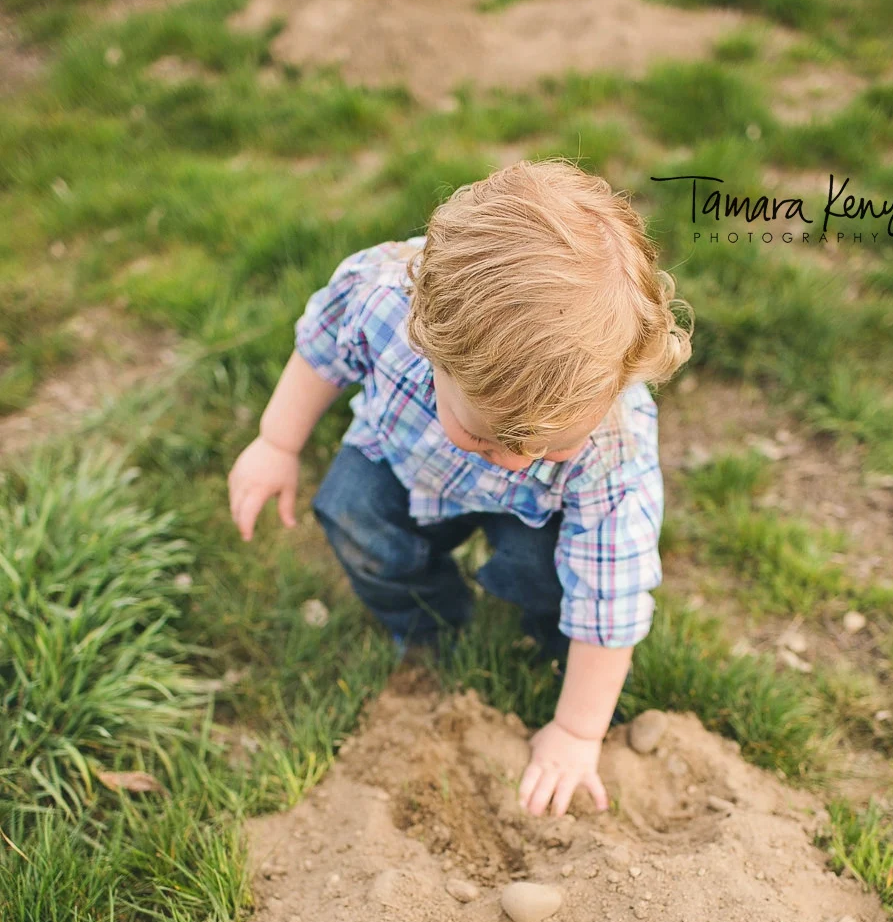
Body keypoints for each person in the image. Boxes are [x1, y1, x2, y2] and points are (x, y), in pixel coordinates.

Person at [227, 159, 693, 818]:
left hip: (541, 516)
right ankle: (428, 633)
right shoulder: (382, 299)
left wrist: (577, 732)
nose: (516, 463)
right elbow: (322, 347)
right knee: (355, 517)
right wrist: (277, 443)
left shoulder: (613, 443)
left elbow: (612, 589)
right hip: (405, 462)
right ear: (428, 344)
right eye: (487, 436)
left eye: (550, 445)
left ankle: (548, 647)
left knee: (553, 578)